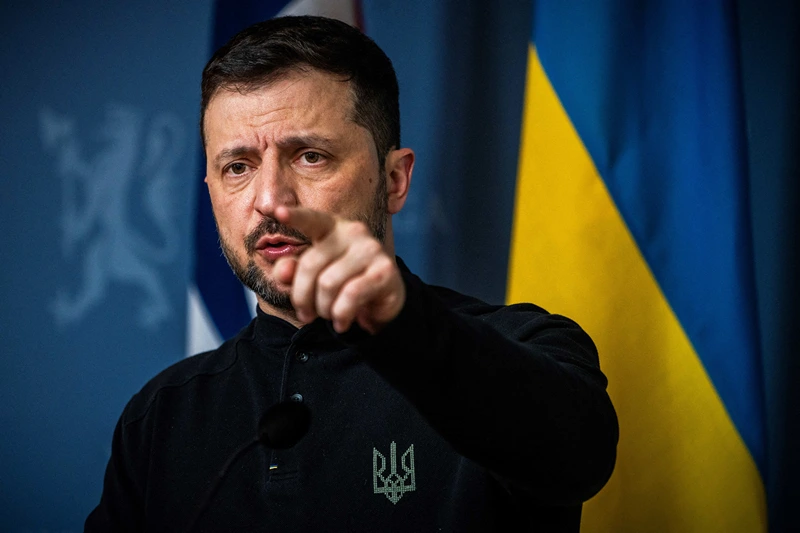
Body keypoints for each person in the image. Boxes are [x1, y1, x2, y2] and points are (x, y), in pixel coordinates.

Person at [85, 15, 618, 532]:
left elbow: (578, 459)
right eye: (238, 167)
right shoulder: (161, 416)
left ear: (393, 179)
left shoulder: (525, 344)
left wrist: (402, 323)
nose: (269, 200)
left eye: (310, 156)